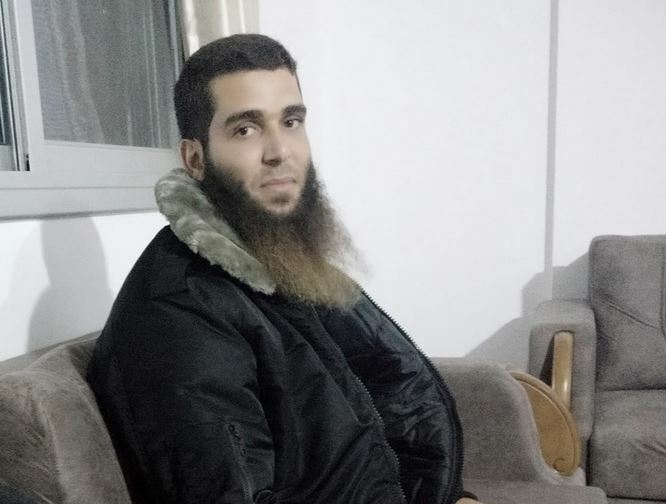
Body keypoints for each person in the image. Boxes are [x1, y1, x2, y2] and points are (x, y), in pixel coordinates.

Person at [88, 34, 480, 504]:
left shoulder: (283, 263)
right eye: (245, 129)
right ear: (195, 158)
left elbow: (388, 390)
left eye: (291, 122)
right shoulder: (178, 310)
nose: (280, 151)